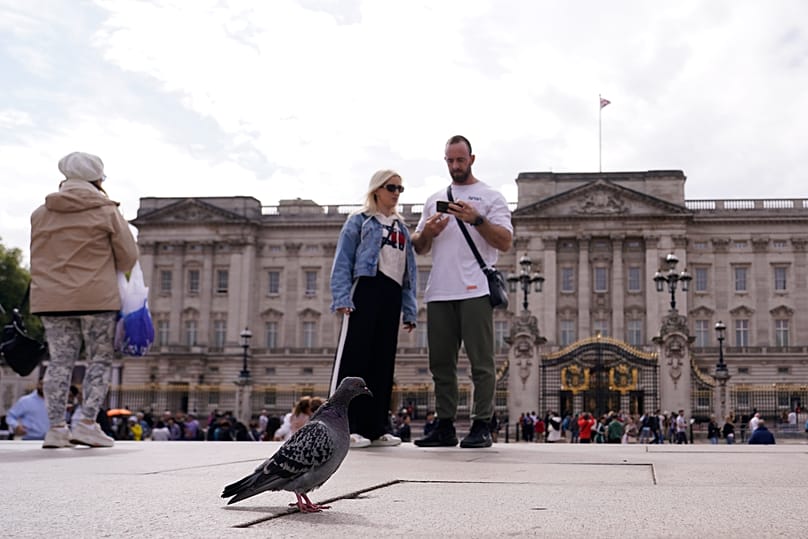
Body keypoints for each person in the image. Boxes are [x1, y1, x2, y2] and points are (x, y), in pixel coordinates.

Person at [30, 152, 139, 449]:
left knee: (59, 363)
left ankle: (55, 428)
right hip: (96, 296)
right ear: (98, 178)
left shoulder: (41, 213)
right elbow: (129, 257)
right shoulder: (107, 211)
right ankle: (87, 423)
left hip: (51, 298)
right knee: (99, 360)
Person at [413, 135, 513, 449]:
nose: (455, 165)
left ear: (471, 159)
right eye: (450, 160)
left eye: (460, 159)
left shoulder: (490, 197)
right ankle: (444, 425)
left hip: (474, 290)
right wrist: (427, 232)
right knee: (441, 364)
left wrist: (477, 220)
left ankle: (482, 424)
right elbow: (419, 246)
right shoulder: (435, 198)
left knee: (481, 363)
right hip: (439, 290)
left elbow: (504, 241)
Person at [329, 169, 417, 449]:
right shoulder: (360, 220)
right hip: (365, 288)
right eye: (392, 187)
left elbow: (408, 274)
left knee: (383, 362)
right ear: (377, 189)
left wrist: (410, 310)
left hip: (390, 293)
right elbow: (343, 259)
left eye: (400, 189)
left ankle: (376, 426)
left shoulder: (401, 227)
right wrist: (342, 296)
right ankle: (346, 427)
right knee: (355, 359)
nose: (396, 193)